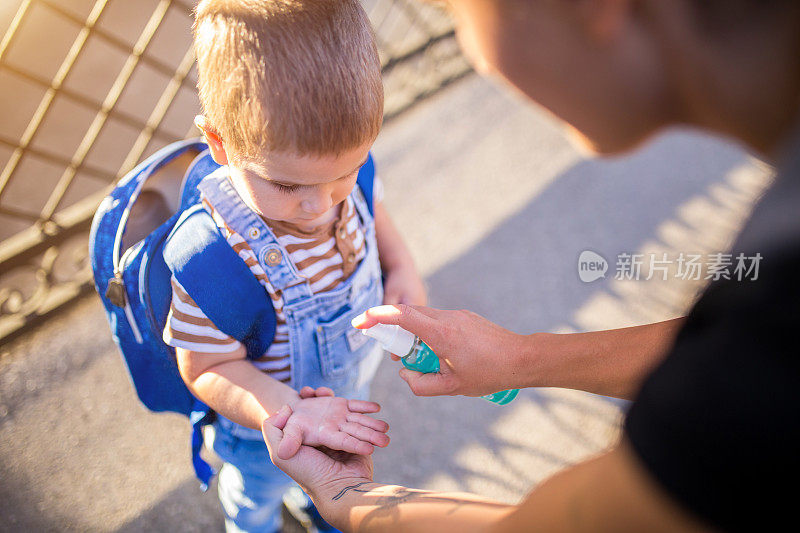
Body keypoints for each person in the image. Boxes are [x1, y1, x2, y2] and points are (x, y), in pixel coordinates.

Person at [260, 0, 800, 531]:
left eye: (455, 10)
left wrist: (345, 496)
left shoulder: (767, 334)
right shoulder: (763, 321)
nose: (473, 55)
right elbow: (703, 357)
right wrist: (522, 358)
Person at [161, 1, 426, 531]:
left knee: (325, 479)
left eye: (345, 172)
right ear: (220, 143)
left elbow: (371, 212)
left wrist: (402, 269)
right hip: (269, 431)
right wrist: (287, 411)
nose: (320, 205)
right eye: (285, 185)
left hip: (345, 391)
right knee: (256, 497)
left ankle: (318, 499)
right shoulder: (212, 256)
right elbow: (206, 368)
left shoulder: (338, 169)